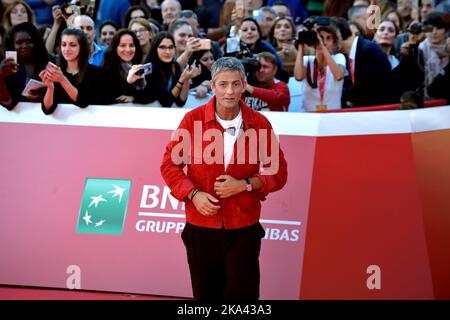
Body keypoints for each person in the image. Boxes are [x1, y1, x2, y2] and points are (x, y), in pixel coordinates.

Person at [160, 56, 288, 300]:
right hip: (200, 227)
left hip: (244, 228)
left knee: (243, 298)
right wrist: (194, 195)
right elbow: (169, 165)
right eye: (223, 84)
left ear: (244, 85)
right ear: (212, 86)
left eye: (236, 84)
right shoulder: (192, 119)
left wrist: (245, 185)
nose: (230, 91)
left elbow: (278, 172)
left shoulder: (260, 123)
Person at [334, 17, 393, 107]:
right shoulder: (347, 55)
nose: (327, 43)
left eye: (330, 38)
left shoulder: (369, 50)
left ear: (338, 37)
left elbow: (369, 90)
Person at [40, 28, 100, 114]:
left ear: (82, 47)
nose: (67, 49)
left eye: (72, 45)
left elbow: (83, 102)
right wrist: (50, 87)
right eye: (64, 45)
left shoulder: (95, 72)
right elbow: (47, 109)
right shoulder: (56, 72)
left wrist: (62, 79)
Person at [138, 31, 200, 107]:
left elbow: (180, 102)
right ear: (155, 48)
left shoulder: (175, 66)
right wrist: (181, 80)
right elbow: (166, 102)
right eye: (162, 47)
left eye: (171, 47)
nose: (167, 52)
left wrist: (186, 79)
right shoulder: (149, 68)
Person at [294, 22, 346, 111]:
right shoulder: (307, 60)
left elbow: (338, 75)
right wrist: (301, 46)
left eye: (328, 38)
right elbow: (298, 77)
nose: (324, 42)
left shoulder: (339, 58)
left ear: (335, 42)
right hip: (309, 116)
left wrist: (321, 45)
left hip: (333, 115)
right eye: (320, 37)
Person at [0, 22, 50, 110]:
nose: (24, 46)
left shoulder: (48, 63)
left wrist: (43, 96)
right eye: (19, 42)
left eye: (29, 41)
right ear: (12, 45)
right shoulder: (6, 66)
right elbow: (8, 103)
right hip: (16, 119)